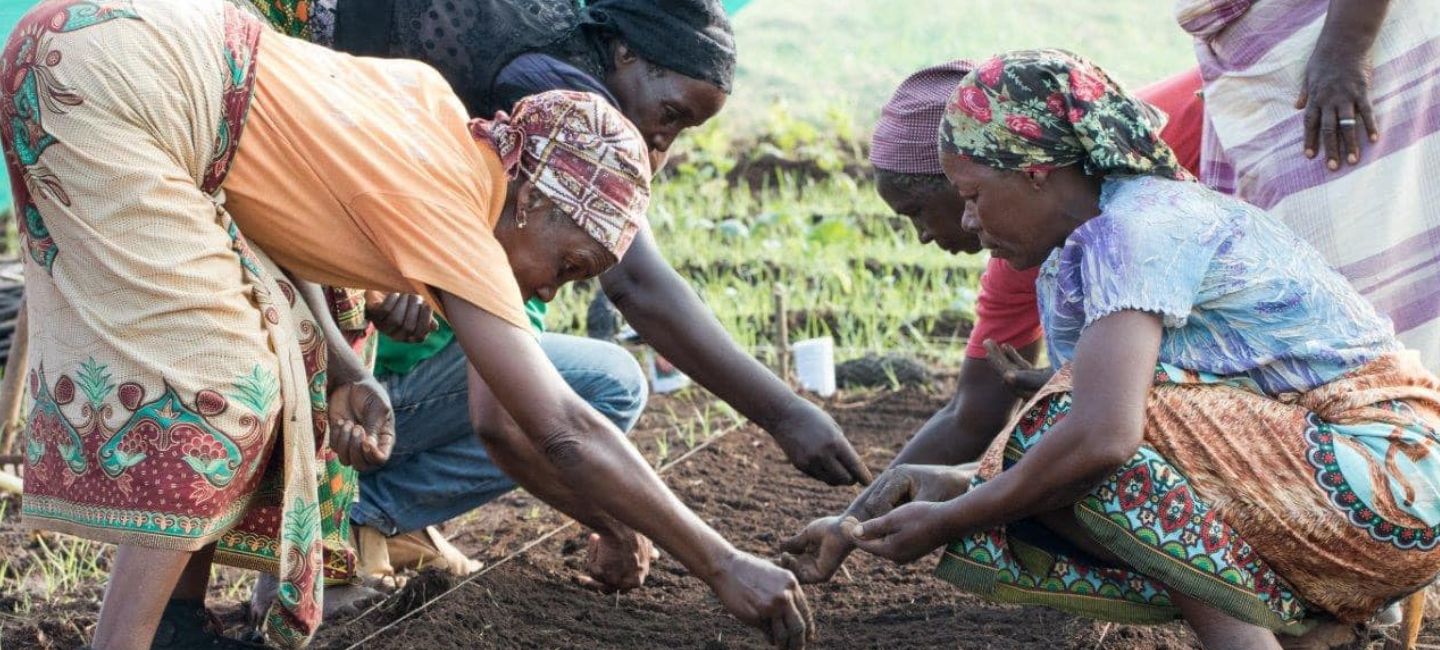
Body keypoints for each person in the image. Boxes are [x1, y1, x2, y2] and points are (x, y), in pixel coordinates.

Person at [2, 2, 812, 648]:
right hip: (115, 85)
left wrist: (346, 369)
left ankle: (175, 628)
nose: (554, 289)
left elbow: (278, 216)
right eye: (568, 264)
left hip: (82, 40)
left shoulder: (438, 118)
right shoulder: (455, 211)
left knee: (280, 353)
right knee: (225, 384)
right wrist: (721, 563)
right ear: (532, 198)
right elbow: (559, 425)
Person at [786, 49, 1440, 648]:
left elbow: (1104, 438)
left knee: (1069, 432)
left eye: (973, 196)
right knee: (1058, 462)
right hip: (1354, 490)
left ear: (1034, 171)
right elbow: (1106, 454)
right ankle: (1306, 635)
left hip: (1393, 472)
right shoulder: (1084, 255)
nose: (967, 221)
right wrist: (949, 488)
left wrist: (953, 516)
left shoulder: (1136, 228)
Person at [229, 0, 872, 581]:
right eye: (670, 113)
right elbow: (628, 297)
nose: (662, 143)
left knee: (352, 349)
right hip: (248, 110)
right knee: (297, 352)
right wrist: (781, 419)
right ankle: (311, 552)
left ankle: (348, 529)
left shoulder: (521, 127)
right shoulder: (563, 121)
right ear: (625, 53)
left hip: (284, 126)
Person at [780, 59, 1205, 582]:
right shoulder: (1028, 245)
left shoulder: (1140, 199)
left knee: (1071, 455)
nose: (925, 235)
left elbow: (1106, 435)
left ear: (974, 173)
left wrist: (957, 507)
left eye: (918, 211)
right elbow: (973, 411)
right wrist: (852, 525)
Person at [1176, 0, 1440, 370]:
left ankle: (1402, 390)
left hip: (1345, 63)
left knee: (1365, 269)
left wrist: (1344, 50)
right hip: (1277, 77)